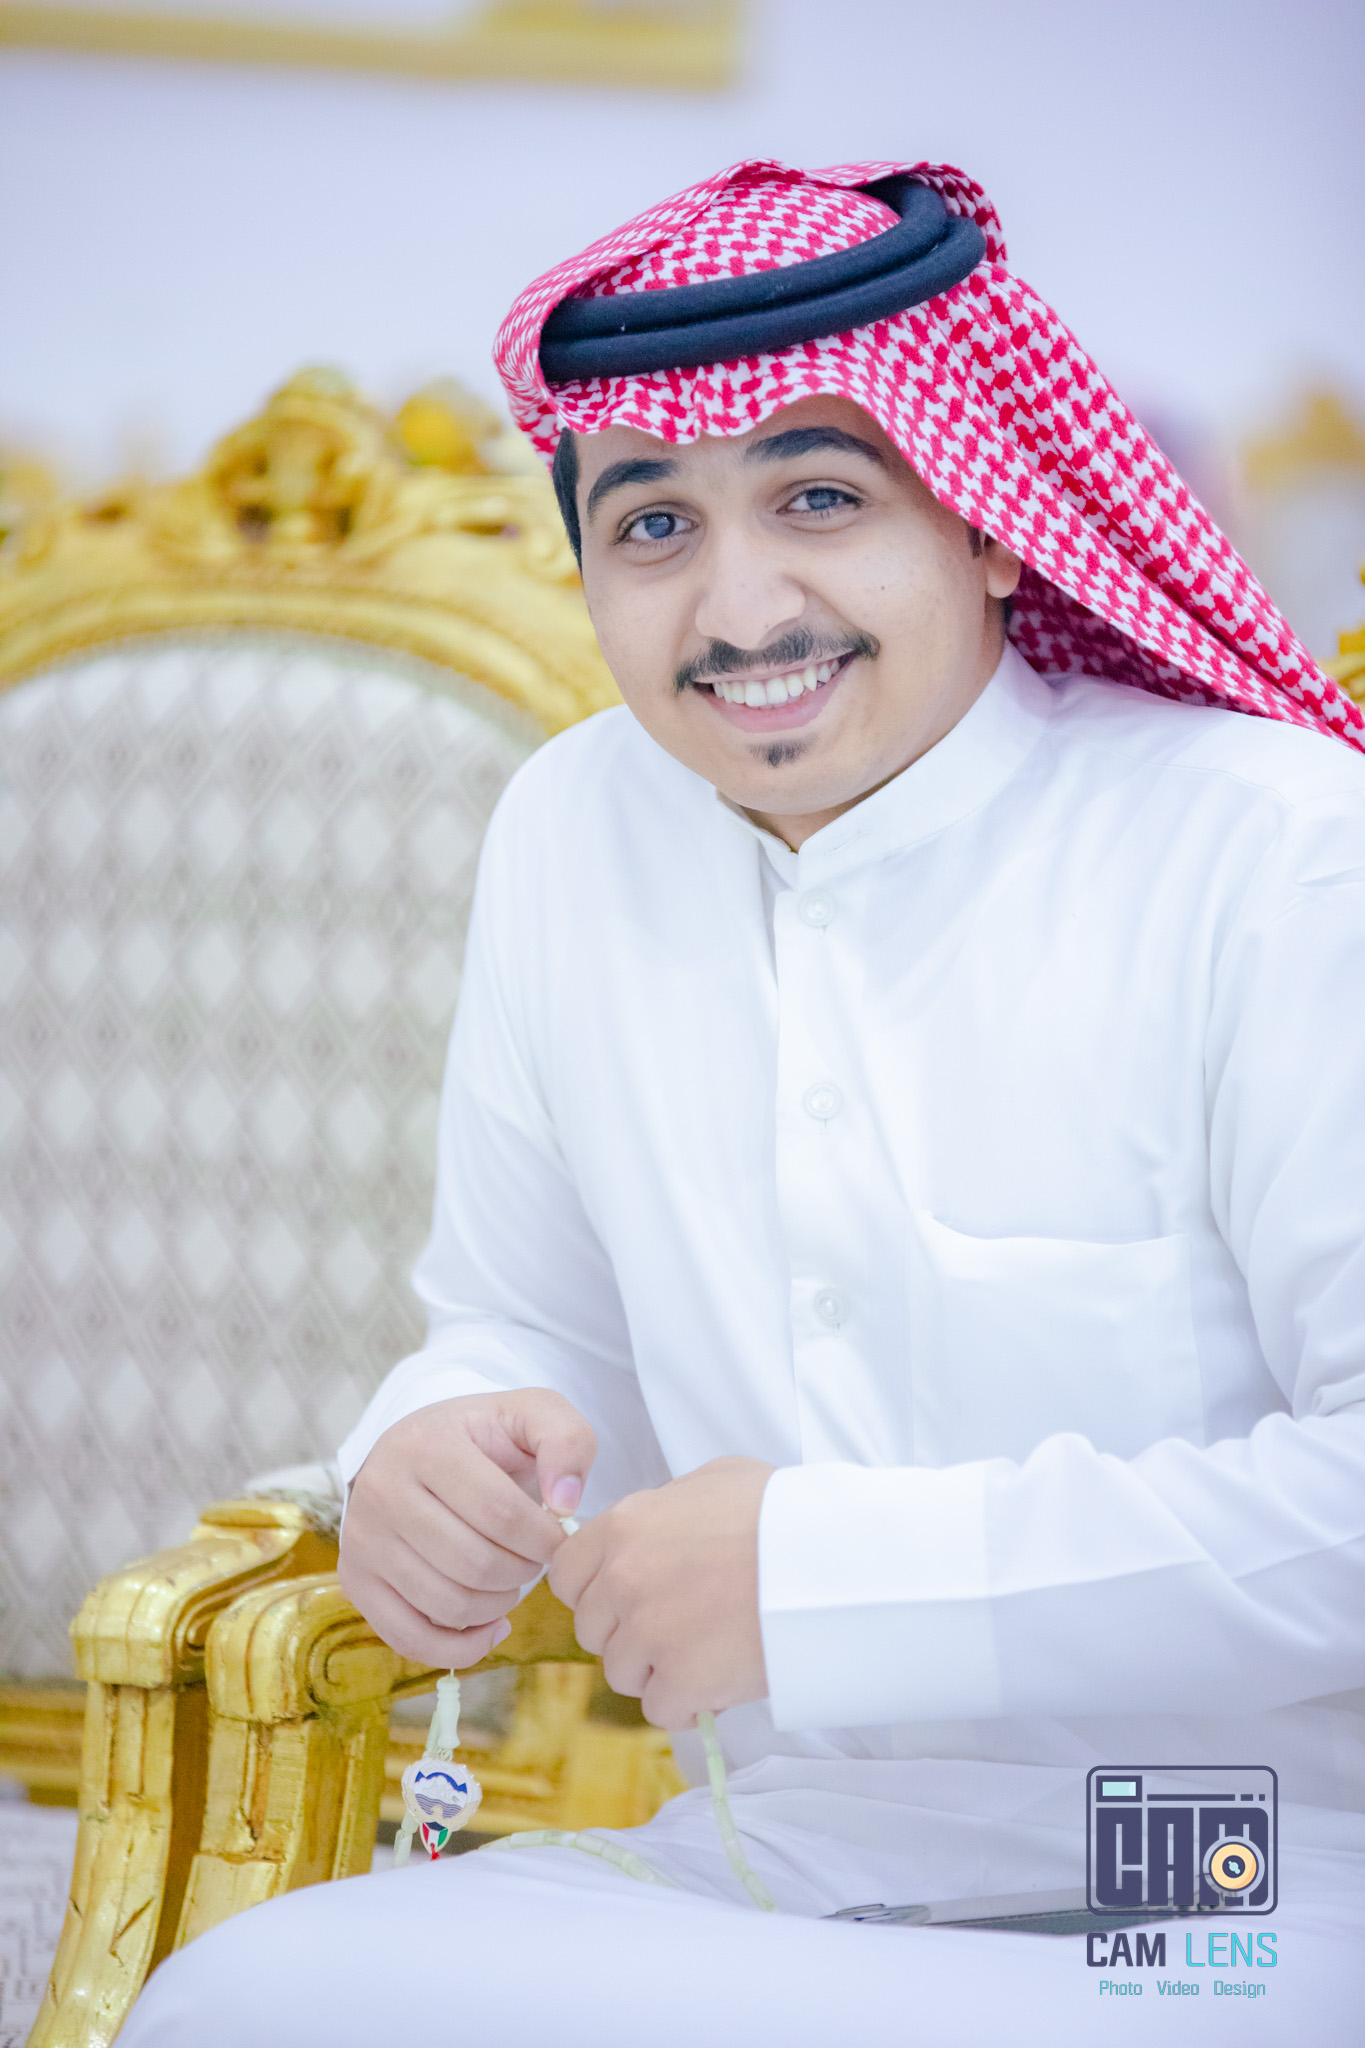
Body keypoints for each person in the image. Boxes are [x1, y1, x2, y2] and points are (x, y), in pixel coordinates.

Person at [122, 158, 1365, 2046]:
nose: (738, 605)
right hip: (791, 1847)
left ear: (991, 519)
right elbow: (524, 1325)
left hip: (1243, 1862)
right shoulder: (573, 827)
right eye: (651, 526)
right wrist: (432, 1455)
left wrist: (817, 1582)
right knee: (250, 2004)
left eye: (818, 497)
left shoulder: (1274, 855)